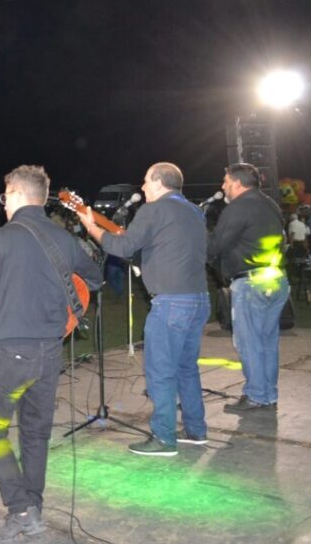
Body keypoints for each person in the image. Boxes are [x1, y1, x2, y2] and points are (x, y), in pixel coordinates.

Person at [0, 165, 103, 543]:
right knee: (36, 434)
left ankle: (20, 508)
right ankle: (31, 509)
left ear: (18, 194)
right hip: (51, 351)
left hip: (10, 351)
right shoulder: (63, 238)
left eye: (6, 196)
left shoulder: (4, 237)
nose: (3, 205)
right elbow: (96, 278)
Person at [78, 162, 210, 456]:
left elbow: (122, 248)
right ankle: (196, 430)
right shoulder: (193, 211)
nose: (142, 187)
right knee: (187, 369)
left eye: (146, 182)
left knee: (161, 372)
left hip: (171, 302)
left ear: (160, 183)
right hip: (198, 299)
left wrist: (91, 228)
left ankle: (164, 439)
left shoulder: (154, 210)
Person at [208, 163, 289, 413]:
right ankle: (267, 395)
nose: (223, 187)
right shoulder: (270, 204)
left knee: (249, 342)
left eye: (226, 182)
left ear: (238, 183)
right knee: (266, 341)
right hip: (276, 279)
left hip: (252, 282)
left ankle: (256, 395)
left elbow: (214, 247)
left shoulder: (238, 207)